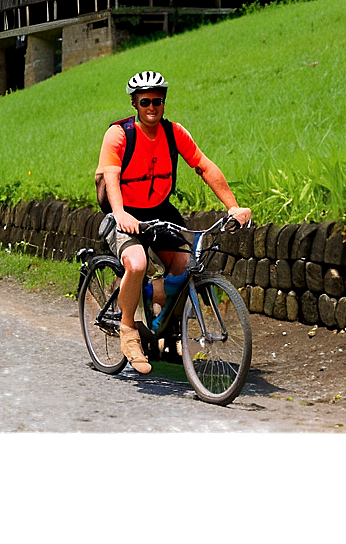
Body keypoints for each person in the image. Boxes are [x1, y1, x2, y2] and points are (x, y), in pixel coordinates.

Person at [94, 70, 252, 374]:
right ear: (135, 104)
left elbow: (205, 166)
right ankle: (128, 330)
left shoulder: (174, 133)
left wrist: (233, 207)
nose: (152, 107)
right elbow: (111, 178)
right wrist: (121, 214)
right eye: (145, 101)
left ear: (164, 102)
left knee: (186, 264)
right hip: (124, 209)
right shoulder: (119, 134)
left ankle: (160, 319)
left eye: (158, 101)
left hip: (159, 208)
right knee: (137, 263)